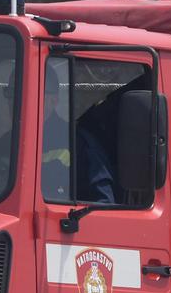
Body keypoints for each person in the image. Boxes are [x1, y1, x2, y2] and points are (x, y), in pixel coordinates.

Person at [41, 65, 116, 205]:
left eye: (35, 94)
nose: (19, 100)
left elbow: (104, 204)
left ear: (54, 100)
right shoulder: (5, 144)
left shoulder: (76, 143)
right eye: (11, 93)